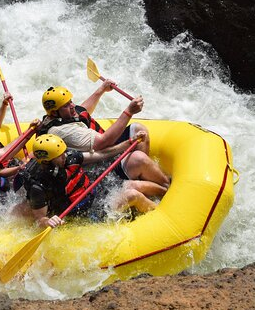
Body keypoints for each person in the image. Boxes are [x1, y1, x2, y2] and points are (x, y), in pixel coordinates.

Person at [37, 83, 169, 197]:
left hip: (102, 151)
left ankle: (144, 180)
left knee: (138, 128)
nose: (72, 106)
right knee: (138, 158)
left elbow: (83, 111)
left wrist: (102, 89)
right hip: (98, 166)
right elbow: (103, 142)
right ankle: (165, 185)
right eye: (66, 105)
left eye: (70, 101)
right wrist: (129, 111)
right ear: (55, 113)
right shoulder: (62, 131)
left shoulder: (63, 115)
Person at [22, 134, 157, 229]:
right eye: (59, 155)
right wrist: (48, 221)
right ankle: (159, 217)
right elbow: (40, 219)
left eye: (63, 151)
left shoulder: (69, 157)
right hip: (85, 214)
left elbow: (102, 154)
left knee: (134, 185)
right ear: (47, 162)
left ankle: (166, 191)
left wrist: (128, 142)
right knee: (132, 195)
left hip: (96, 194)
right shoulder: (38, 186)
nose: (65, 155)